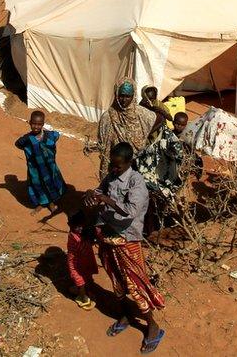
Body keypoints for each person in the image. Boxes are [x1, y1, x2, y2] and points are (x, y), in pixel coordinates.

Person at [85, 143, 165, 355]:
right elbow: (99, 191)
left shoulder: (136, 182)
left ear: (129, 163)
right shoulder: (112, 175)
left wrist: (106, 200)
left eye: (118, 166)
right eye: (112, 164)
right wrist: (91, 196)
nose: (113, 169)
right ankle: (126, 314)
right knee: (116, 280)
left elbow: (129, 212)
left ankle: (153, 327)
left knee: (135, 283)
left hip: (127, 239)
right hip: (108, 236)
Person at [96, 79, 157, 179]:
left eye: (128, 96)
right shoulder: (107, 117)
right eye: (121, 95)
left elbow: (158, 119)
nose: (124, 100)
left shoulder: (142, 113)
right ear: (116, 94)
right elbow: (103, 143)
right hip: (115, 166)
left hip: (136, 164)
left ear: (133, 96)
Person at [15, 111, 67, 215]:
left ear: (43, 124)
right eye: (34, 123)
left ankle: (51, 202)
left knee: (50, 183)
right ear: (30, 123)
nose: (36, 127)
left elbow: (56, 135)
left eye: (39, 124)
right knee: (37, 185)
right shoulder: (27, 139)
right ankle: (41, 203)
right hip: (35, 168)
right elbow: (18, 143)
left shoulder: (49, 136)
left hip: (48, 167)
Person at [66, 209, 98, 311]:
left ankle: (85, 290)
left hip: (86, 258)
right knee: (80, 281)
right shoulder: (73, 236)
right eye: (77, 227)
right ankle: (83, 297)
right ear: (70, 225)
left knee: (87, 276)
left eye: (81, 226)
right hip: (76, 262)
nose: (80, 229)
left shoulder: (83, 231)